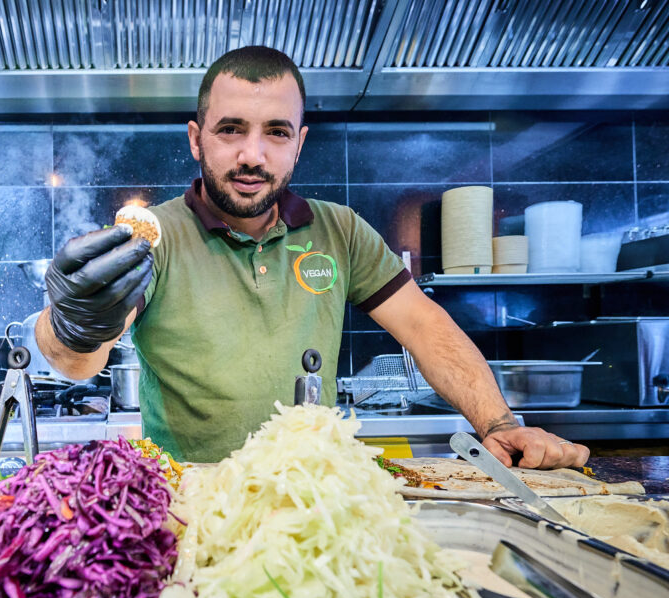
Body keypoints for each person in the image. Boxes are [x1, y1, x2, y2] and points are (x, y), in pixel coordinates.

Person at [36, 45, 589, 470]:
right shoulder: (154, 235)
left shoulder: (340, 230)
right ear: (196, 139)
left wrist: (498, 422)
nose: (252, 155)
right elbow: (78, 361)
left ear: (298, 143)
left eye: (275, 133)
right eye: (231, 130)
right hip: (190, 500)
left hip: (309, 497)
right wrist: (74, 321)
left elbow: (425, 327)